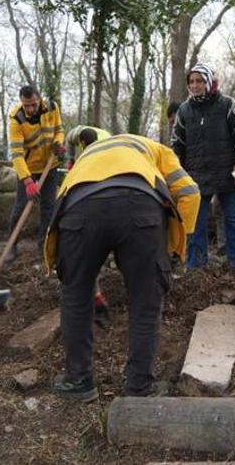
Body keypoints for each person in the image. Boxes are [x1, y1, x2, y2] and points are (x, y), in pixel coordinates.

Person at [44, 134, 200, 402]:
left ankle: (78, 381)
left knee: (74, 297)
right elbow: (189, 192)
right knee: (145, 299)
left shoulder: (86, 157)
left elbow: (63, 208)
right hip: (139, 207)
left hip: (78, 208)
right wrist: (173, 250)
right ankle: (139, 387)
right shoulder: (156, 149)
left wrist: (80, 279)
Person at [171, 63, 235, 270]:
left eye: (199, 81)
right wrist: (175, 171)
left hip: (228, 171)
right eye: (191, 82)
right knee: (195, 220)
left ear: (208, 81)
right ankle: (196, 265)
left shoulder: (227, 104)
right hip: (196, 173)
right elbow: (177, 144)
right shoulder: (184, 111)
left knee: (232, 216)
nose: (195, 85)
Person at [6, 85, 65, 262]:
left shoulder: (52, 107)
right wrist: (27, 180)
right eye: (26, 105)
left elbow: (59, 130)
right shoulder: (16, 119)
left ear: (39, 99)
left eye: (33, 104)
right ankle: (11, 246)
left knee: (48, 208)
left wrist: (57, 143)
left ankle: (43, 248)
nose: (30, 109)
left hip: (50, 165)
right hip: (29, 169)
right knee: (20, 208)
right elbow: (16, 154)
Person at [63, 124, 113, 328]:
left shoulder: (105, 150)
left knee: (87, 252)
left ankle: (93, 293)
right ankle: (96, 293)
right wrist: (69, 160)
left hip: (91, 208)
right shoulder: (75, 134)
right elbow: (67, 142)